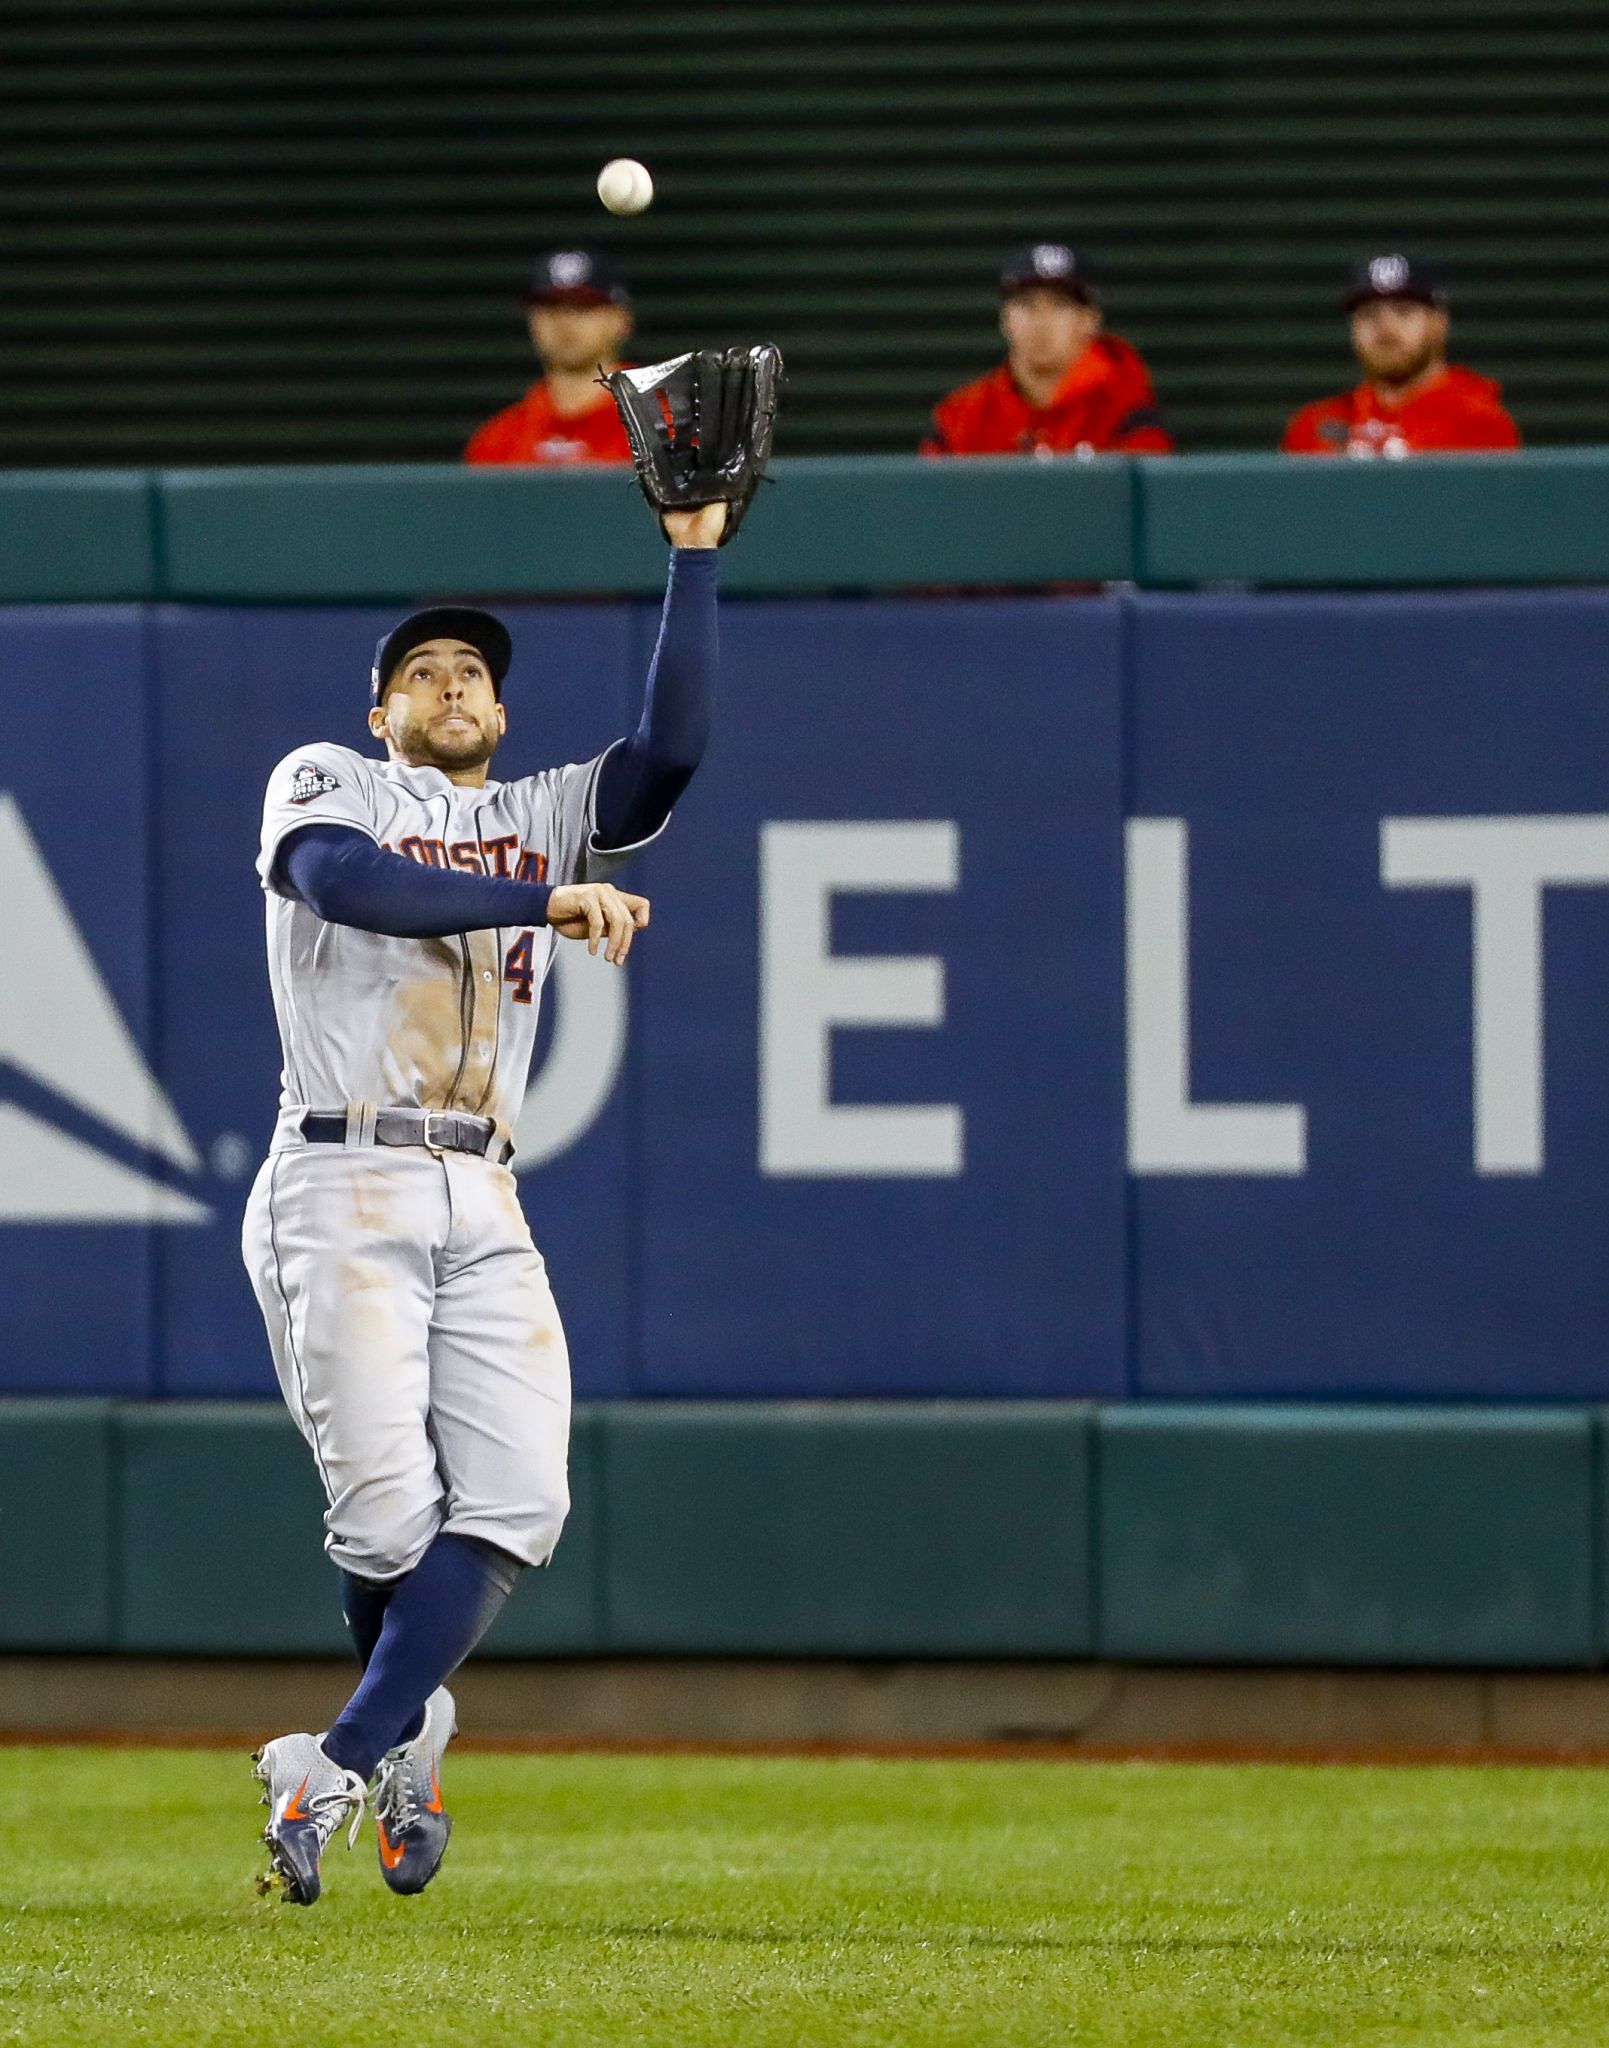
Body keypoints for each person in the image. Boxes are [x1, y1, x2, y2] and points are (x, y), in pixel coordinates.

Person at [243, 492, 729, 1906]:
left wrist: (691, 555)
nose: (451, 686)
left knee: (519, 1502)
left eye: (474, 675)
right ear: (381, 709)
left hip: (482, 1186)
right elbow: (342, 883)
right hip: (339, 1173)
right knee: (391, 1529)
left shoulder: (533, 814)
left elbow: (670, 754)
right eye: (422, 673)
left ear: (501, 718)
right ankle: (385, 1742)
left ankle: (336, 1762)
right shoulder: (329, 779)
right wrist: (542, 906)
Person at [923, 242, 1173, 457]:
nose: (1041, 321)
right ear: (1005, 319)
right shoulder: (961, 416)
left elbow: (1152, 506)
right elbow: (930, 506)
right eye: (1026, 304)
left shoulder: (1126, 411)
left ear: (1090, 320)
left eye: (1059, 305)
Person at [1282, 253, 1521, 457]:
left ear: (1439, 323)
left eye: (1403, 312)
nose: (1385, 328)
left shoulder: (1478, 424)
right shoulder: (1313, 426)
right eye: (1369, 314)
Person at [464, 249, 636, 466]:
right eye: (551, 307)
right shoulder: (498, 441)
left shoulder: (665, 428)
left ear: (622, 320)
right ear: (531, 320)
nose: (565, 322)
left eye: (584, 306)